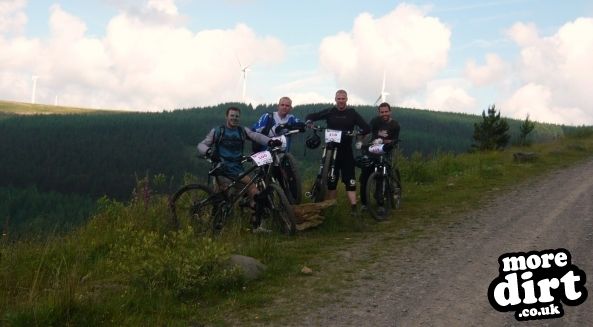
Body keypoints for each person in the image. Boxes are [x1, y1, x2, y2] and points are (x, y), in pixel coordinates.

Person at [197, 106, 282, 231]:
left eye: (237, 116)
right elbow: (201, 145)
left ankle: (256, 226)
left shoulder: (242, 131)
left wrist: (270, 142)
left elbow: (255, 136)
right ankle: (216, 228)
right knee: (221, 200)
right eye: (232, 116)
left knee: (255, 192)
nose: (234, 118)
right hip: (222, 170)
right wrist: (209, 151)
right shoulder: (218, 131)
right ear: (227, 116)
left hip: (238, 170)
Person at [305, 89, 371, 215]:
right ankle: (331, 209)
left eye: (343, 98)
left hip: (346, 151)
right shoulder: (330, 111)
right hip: (330, 150)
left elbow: (366, 127)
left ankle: (353, 208)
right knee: (331, 181)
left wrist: (359, 133)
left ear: (346, 99)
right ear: (335, 99)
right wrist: (309, 122)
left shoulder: (352, 113)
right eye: (339, 99)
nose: (341, 101)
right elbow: (312, 116)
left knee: (350, 180)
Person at [359, 102, 400, 211]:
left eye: (386, 111)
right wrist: (361, 138)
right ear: (379, 113)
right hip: (373, 149)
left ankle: (381, 202)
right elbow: (367, 131)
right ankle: (364, 203)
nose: (384, 114)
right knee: (365, 175)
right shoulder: (375, 121)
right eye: (382, 112)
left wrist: (385, 141)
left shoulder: (395, 125)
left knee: (383, 174)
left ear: (390, 112)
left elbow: (395, 140)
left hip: (387, 150)